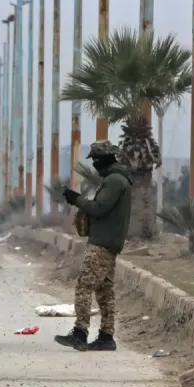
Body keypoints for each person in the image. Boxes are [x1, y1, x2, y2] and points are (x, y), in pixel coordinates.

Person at [55, 140, 133, 352]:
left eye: (96, 161)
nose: (95, 165)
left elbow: (99, 209)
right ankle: (106, 336)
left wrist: (77, 200)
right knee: (104, 290)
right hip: (109, 242)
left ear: (103, 159)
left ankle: (80, 333)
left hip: (102, 243)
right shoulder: (117, 179)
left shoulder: (115, 181)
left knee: (84, 285)